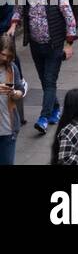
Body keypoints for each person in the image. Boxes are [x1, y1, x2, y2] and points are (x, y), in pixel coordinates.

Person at [12, 0, 77, 135]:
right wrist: (13, 26)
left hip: (54, 46)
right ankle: (55, 108)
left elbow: (70, 20)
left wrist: (69, 44)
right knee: (44, 80)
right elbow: (18, 11)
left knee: (49, 81)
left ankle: (43, 118)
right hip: (36, 46)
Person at [0, 35, 26, 163]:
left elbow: (21, 89)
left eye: (9, 56)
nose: (5, 58)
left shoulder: (12, 68)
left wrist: (15, 93)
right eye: (3, 54)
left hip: (8, 128)